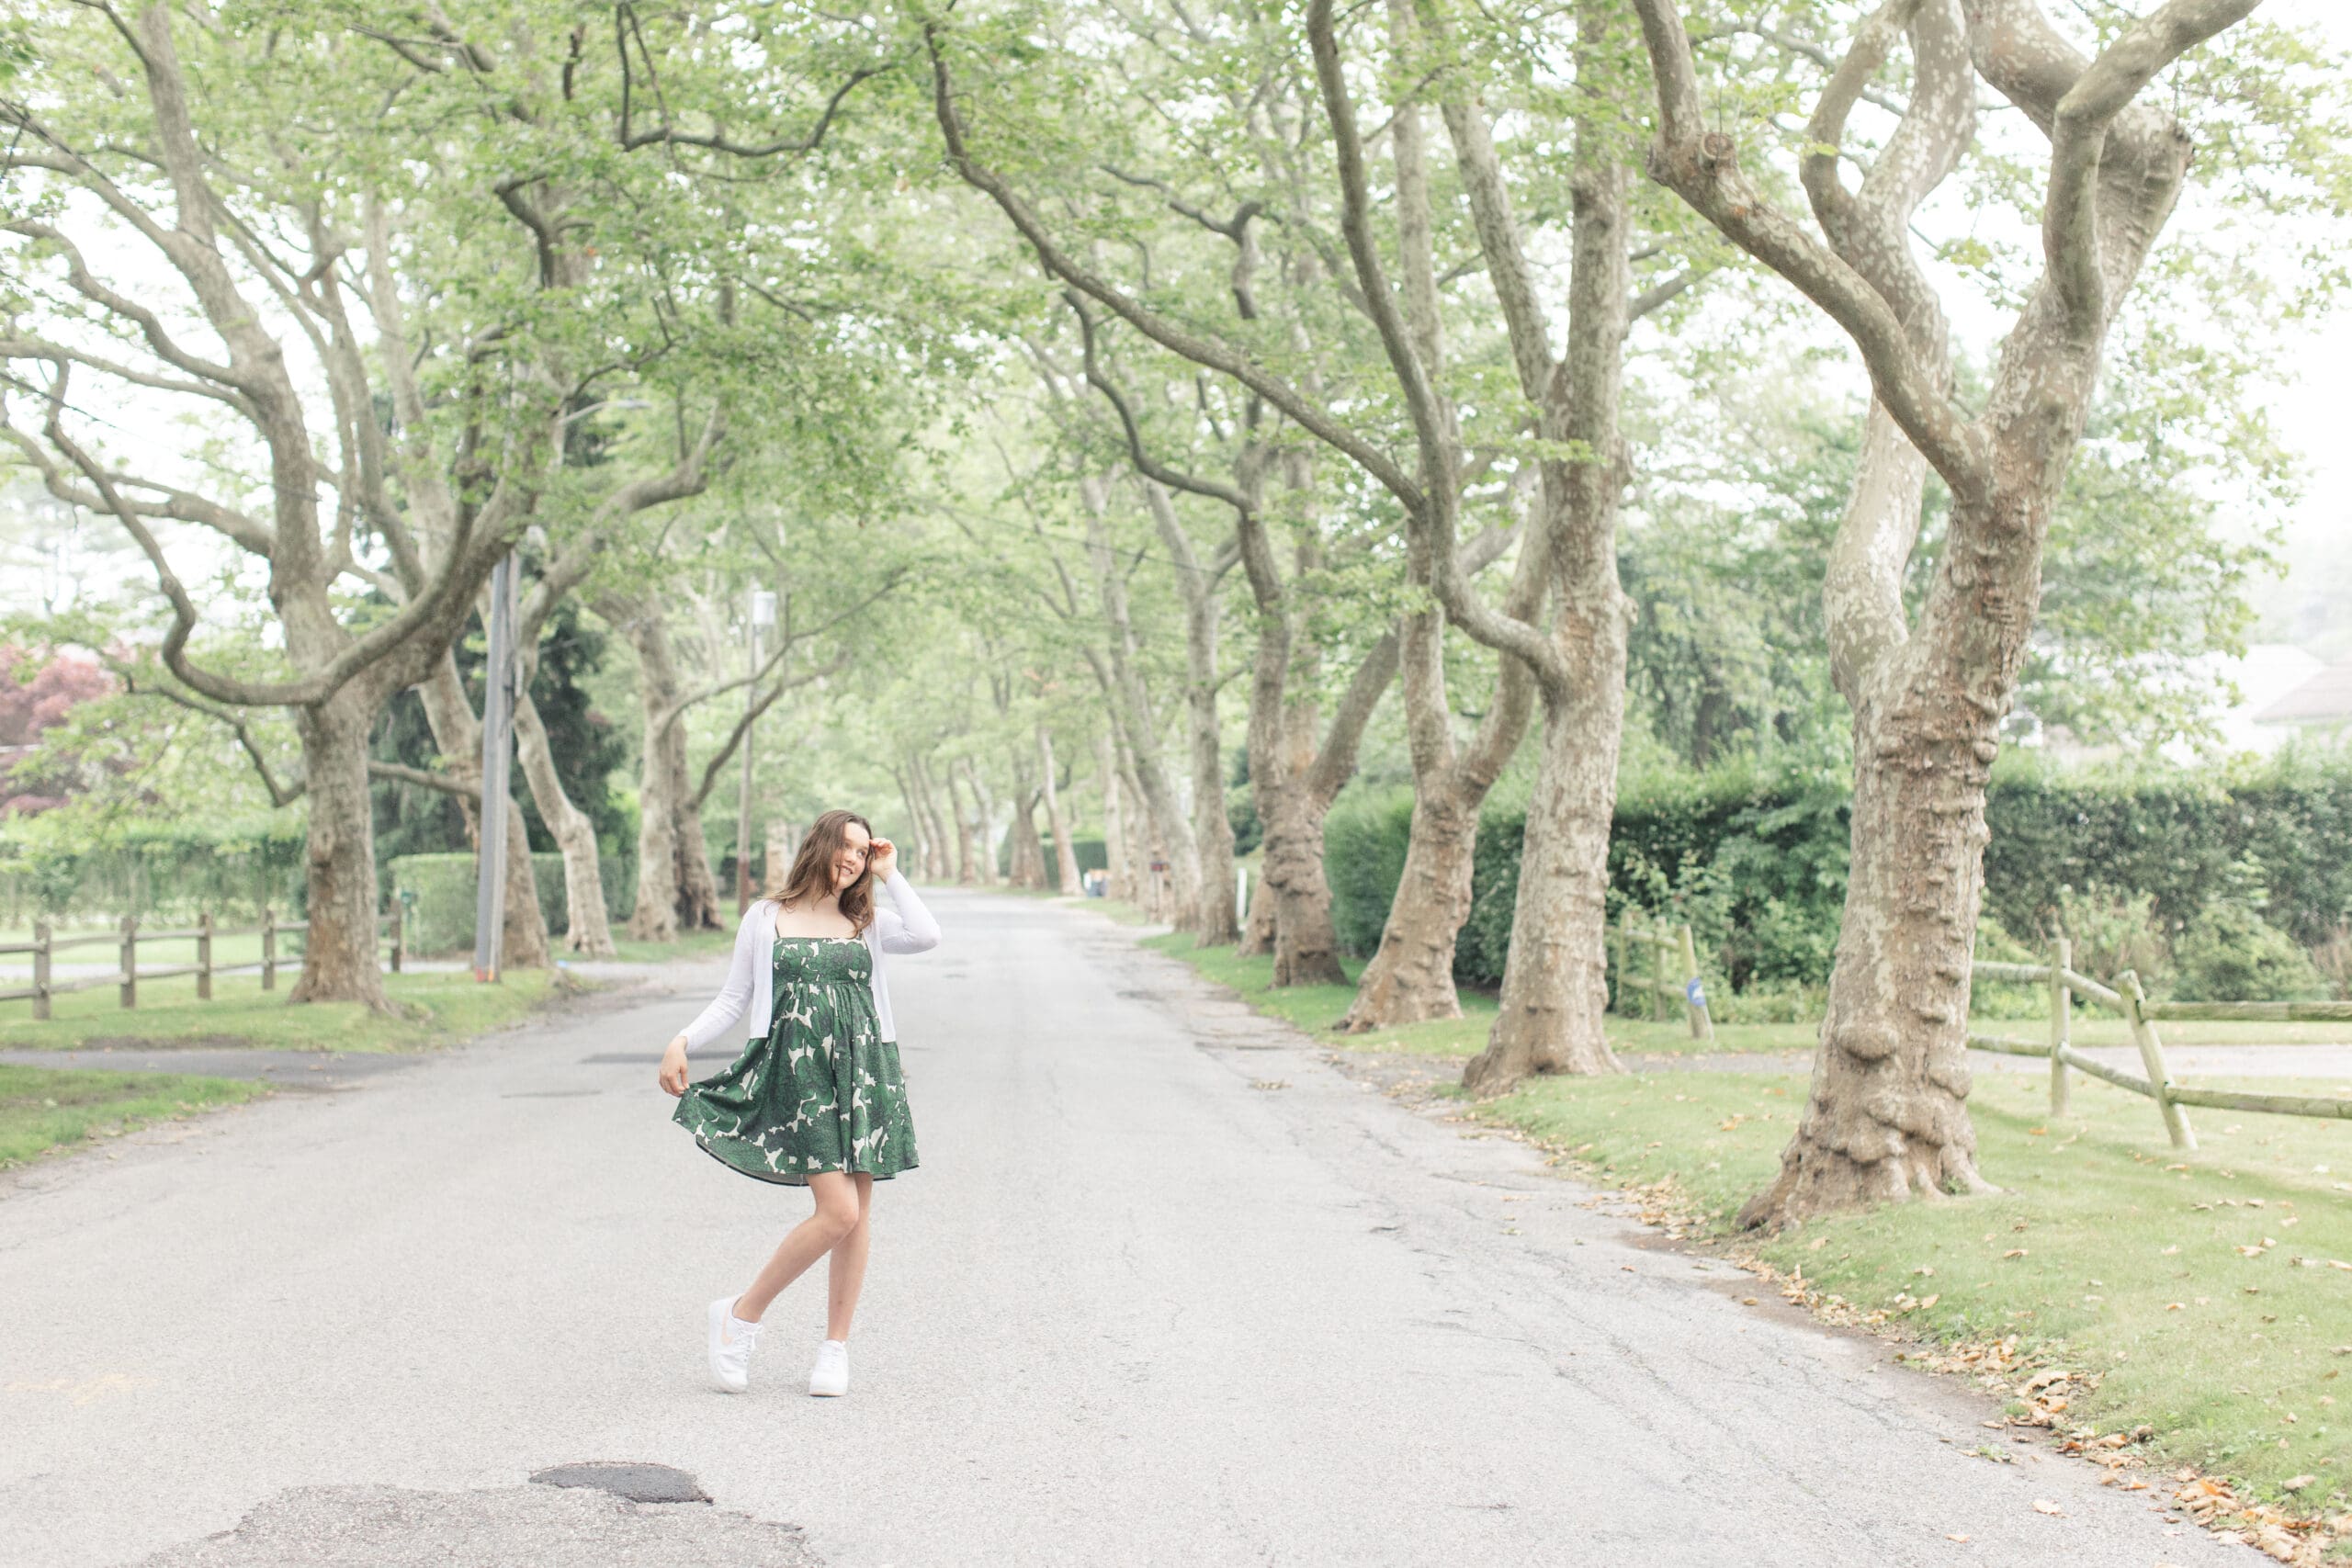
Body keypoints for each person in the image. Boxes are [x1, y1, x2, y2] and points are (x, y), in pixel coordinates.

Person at [658, 808, 940, 1397]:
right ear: (820, 844)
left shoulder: (866, 919)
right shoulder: (766, 917)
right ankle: (741, 1315)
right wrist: (683, 1039)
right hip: (800, 1073)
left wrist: (890, 873)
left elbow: (926, 934)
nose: (854, 859)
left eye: (863, 851)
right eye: (848, 846)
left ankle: (835, 1349)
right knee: (838, 1212)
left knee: (857, 1212)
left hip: (864, 1068)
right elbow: (735, 997)